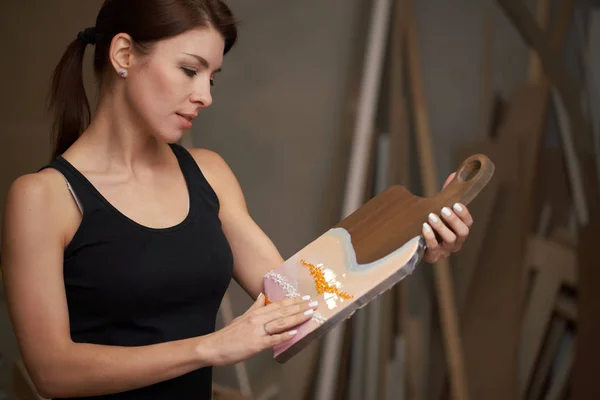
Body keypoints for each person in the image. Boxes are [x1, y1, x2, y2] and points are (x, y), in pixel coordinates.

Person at [0, 0, 474, 398]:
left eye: (212, 77)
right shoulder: (44, 198)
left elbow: (297, 299)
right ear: (123, 54)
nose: (204, 95)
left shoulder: (208, 173)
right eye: (189, 70)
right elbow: (51, 370)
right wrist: (210, 347)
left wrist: (413, 242)